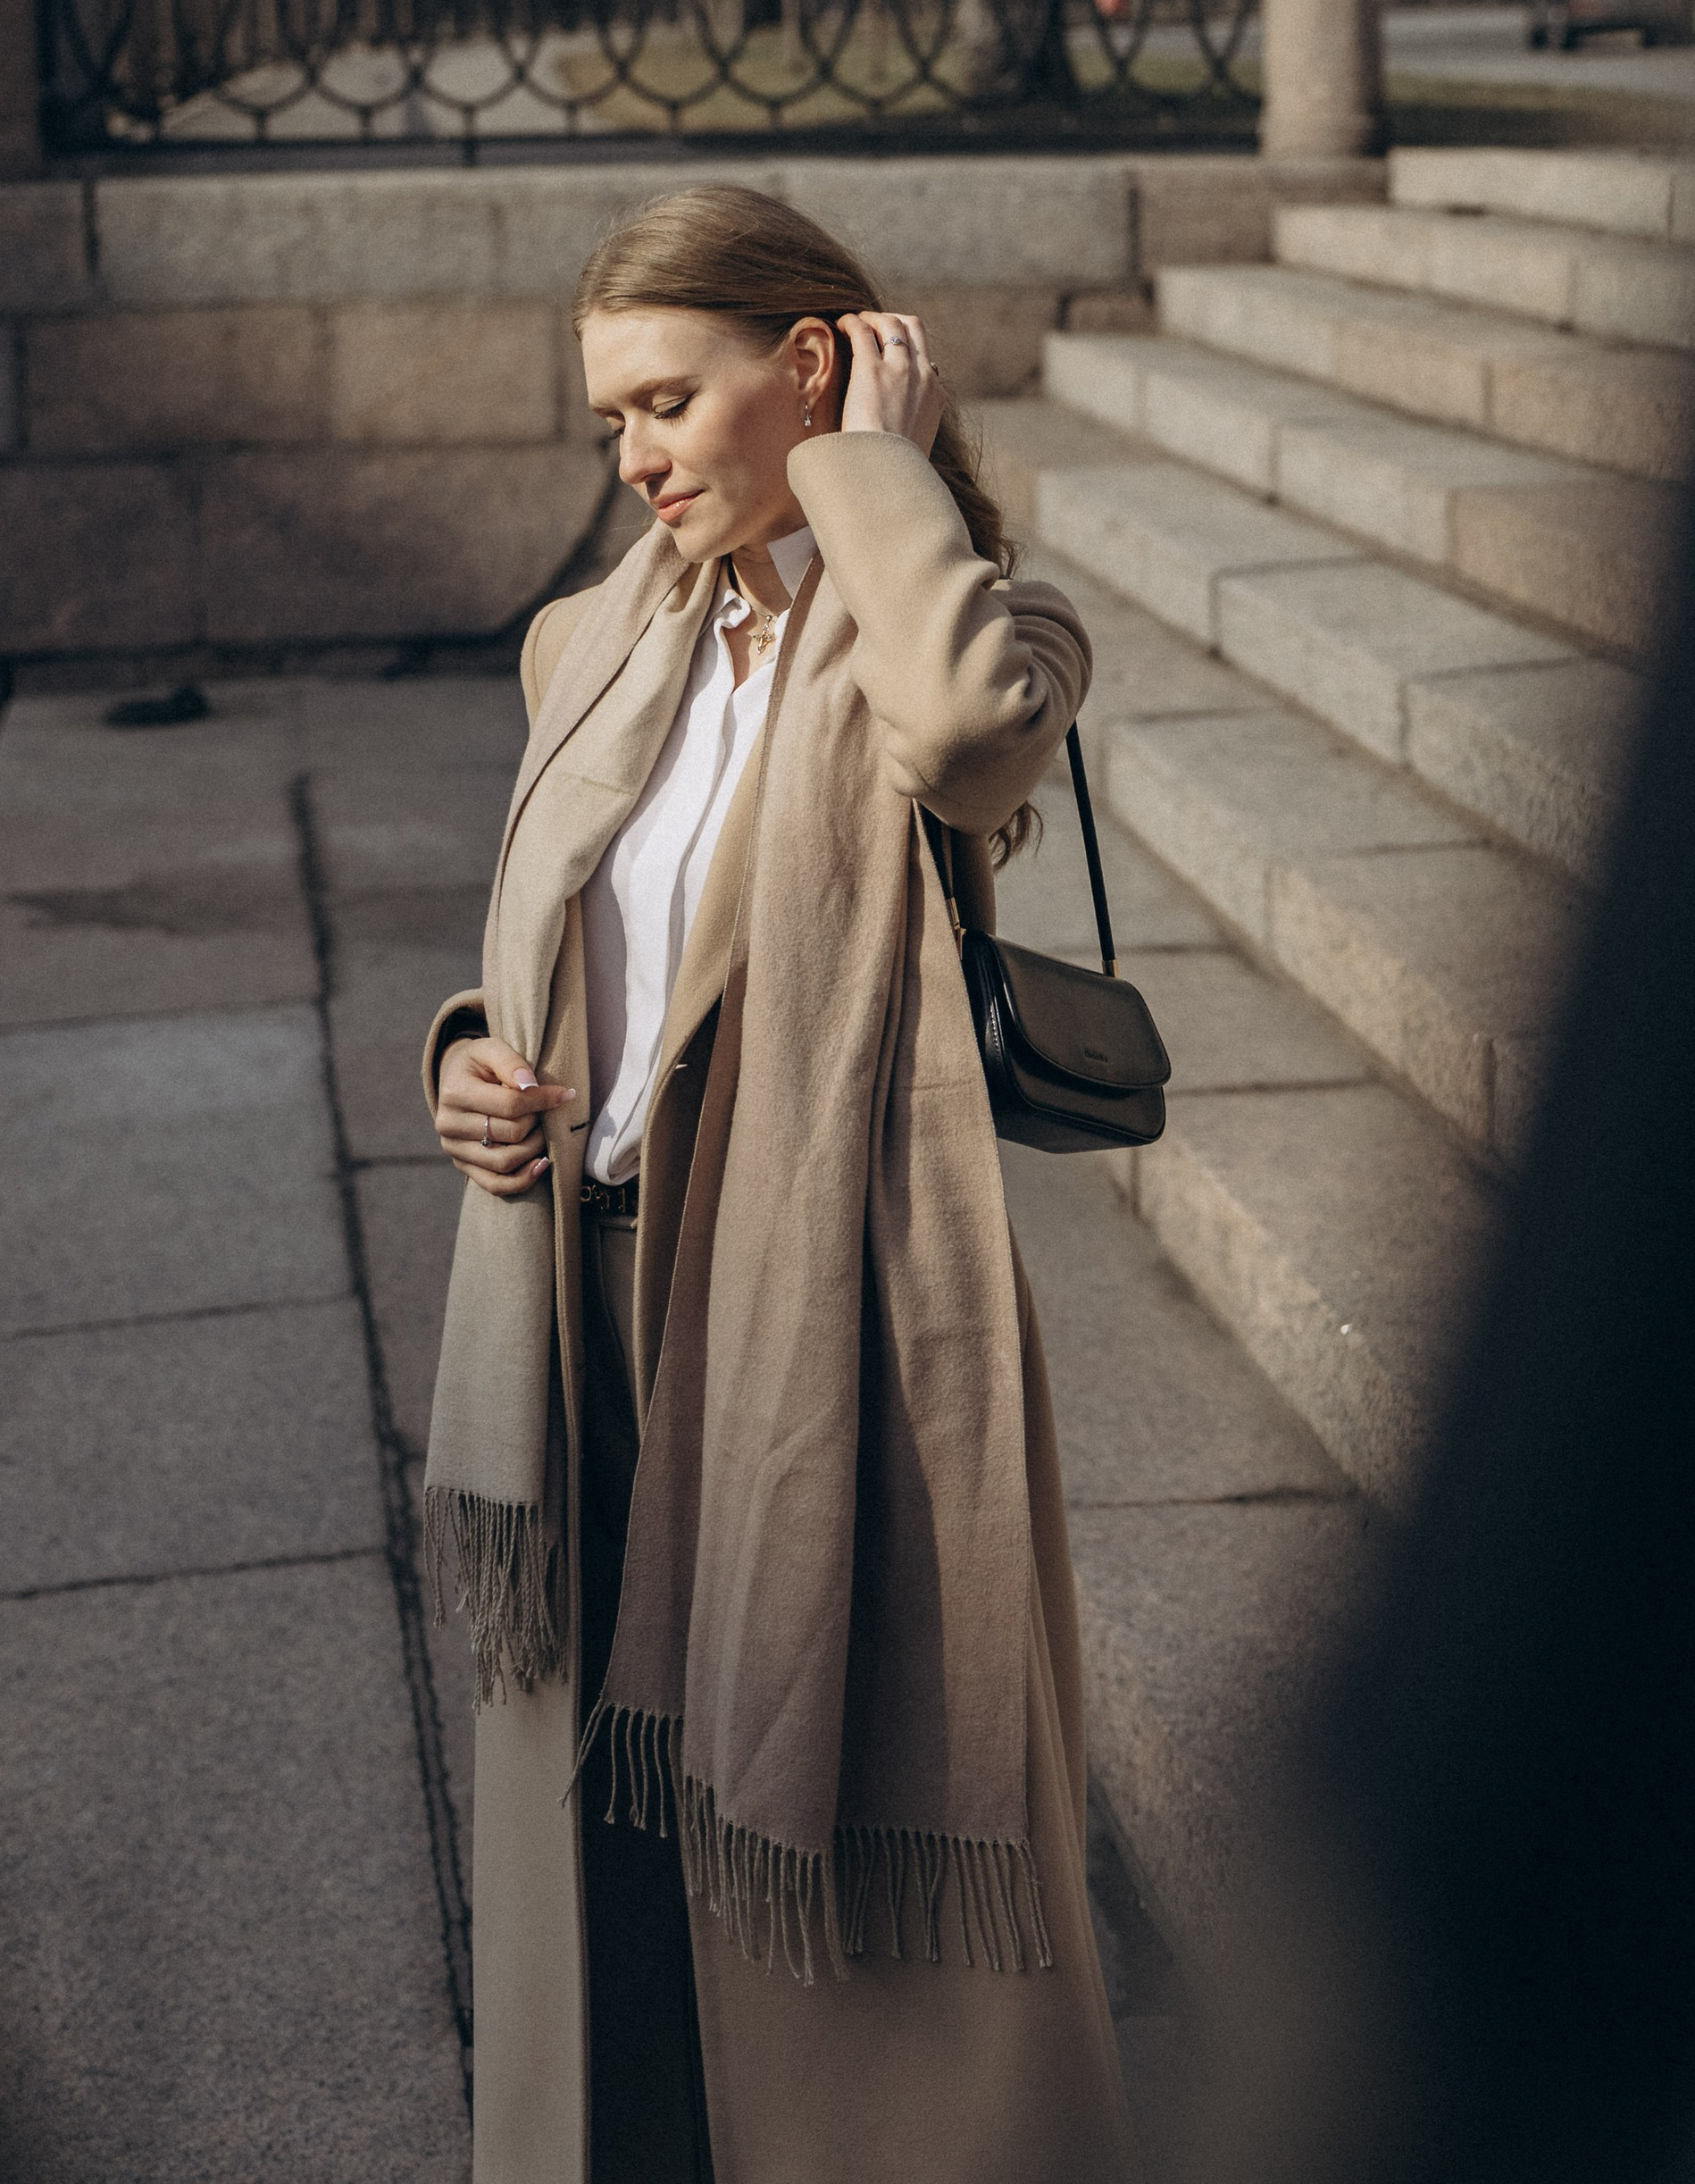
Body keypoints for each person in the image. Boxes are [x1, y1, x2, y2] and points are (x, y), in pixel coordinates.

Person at [419, 182, 1136, 2184]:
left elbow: (971, 736)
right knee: (605, 1852)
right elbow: (563, 948)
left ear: (807, 367)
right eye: (608, 423)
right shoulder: (587, 642)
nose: (634, 457)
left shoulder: (974, 625)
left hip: (815, 1315)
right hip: (584, 1296)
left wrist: (879, 482)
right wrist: (471, 1064)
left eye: (668, 400)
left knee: (821, 1827)